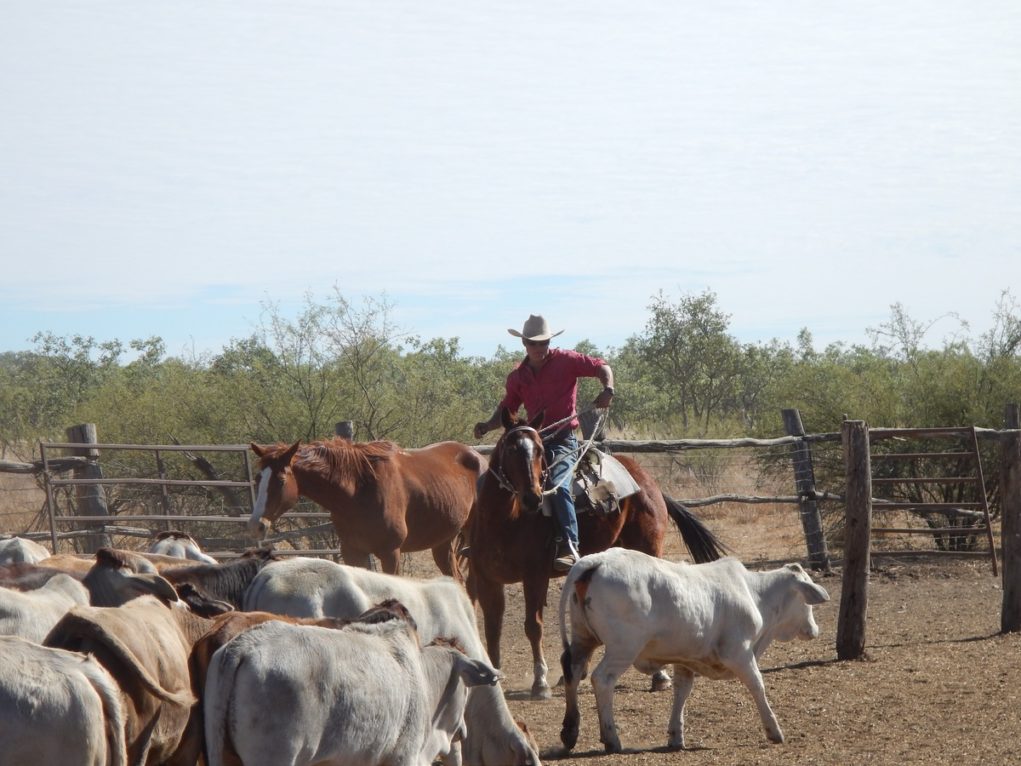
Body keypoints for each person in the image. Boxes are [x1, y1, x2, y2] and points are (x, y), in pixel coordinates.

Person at [473, 314, 615, 572]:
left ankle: (570, 545)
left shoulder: (567, 361)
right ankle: (481, 538)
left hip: (562, 440)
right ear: (524, 344)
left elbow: (601, 367)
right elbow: (508, 407)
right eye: (534, 343)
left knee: (559, 486)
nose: (540, 348)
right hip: (532, 442)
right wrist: (487, 425)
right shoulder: (517, 377)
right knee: (488, 481)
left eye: (544, 343)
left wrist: (608, 389)